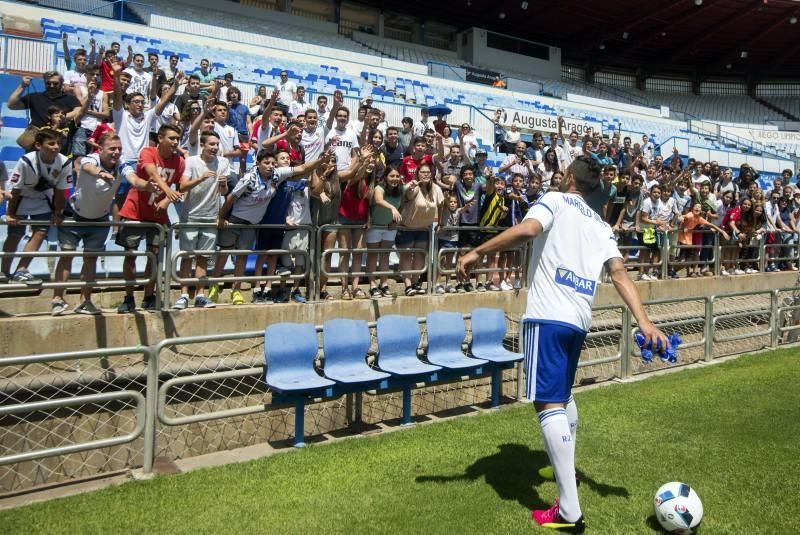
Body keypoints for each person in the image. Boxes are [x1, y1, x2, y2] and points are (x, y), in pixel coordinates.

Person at [456, 156, 669, 532]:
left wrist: (478, 251)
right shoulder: (601, 224)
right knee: (563, 396)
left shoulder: (554, 199)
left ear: (569, 177)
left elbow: (527, 229)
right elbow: (619, 273)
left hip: (547, 317)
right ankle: (563, 470)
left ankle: (569, 512)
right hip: (577, 322)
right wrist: (645, 320)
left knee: (547, 402)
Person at [116, 124, 186, 313]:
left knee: (155, 257)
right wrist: (168, 191)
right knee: (130, 256)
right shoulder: (147, 152)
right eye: (172, 138)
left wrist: (166, 202)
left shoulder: (179, 161)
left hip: (157, 217)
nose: (175, 142)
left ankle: (149, 295)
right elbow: (152, 173)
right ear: (161, 138)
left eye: (178, 139)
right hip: (135, 212)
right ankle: (128, 297)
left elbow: (182, 185)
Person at [51, 132, 123, 315]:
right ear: (101, 148)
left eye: (119, 149)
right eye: (112, 148)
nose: (116, 152)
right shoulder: (91, 159)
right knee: (66, 257)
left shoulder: (122, 166)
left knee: (90, 261)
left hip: (99, 221)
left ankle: (85, 301)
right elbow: (88, 167)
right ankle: (57, 299)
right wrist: (102, 173)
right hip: (74, 216)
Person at [2, 130, 71, 284]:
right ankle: (4, 271)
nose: (56, 147)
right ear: (39, 145)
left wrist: (57, 213)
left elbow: (61, 192)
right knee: (14, 234)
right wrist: (11, 213)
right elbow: (16, 190)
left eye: (58, 144)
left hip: (43, 198)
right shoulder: (27, 161)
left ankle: (22, 270)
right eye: (51, 143)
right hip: (21, 198)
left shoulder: (64, 162)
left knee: (40, 232)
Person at [174, 130, 229, 310]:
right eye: (211, 144)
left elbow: (224, 192)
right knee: (187, 257)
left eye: (216, 144)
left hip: (211, 216)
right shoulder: (191, 162)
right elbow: (182, 186)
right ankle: (183, 295)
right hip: (190, 215)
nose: (214, 147)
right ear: (203, 145)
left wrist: (224, 184)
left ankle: (200, 295)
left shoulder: (223, 162)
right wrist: (201, 178)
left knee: (204, 258)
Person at [7, 72, 82, 128]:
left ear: (62, 83)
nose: (51, 86)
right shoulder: (35, 97)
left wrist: (64, 117)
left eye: (55, 83)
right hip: (37, 139)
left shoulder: (69, 98)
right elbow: (11, 105)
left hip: (58, 141)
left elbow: (79, 110)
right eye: (48, 83)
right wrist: (22, 86)